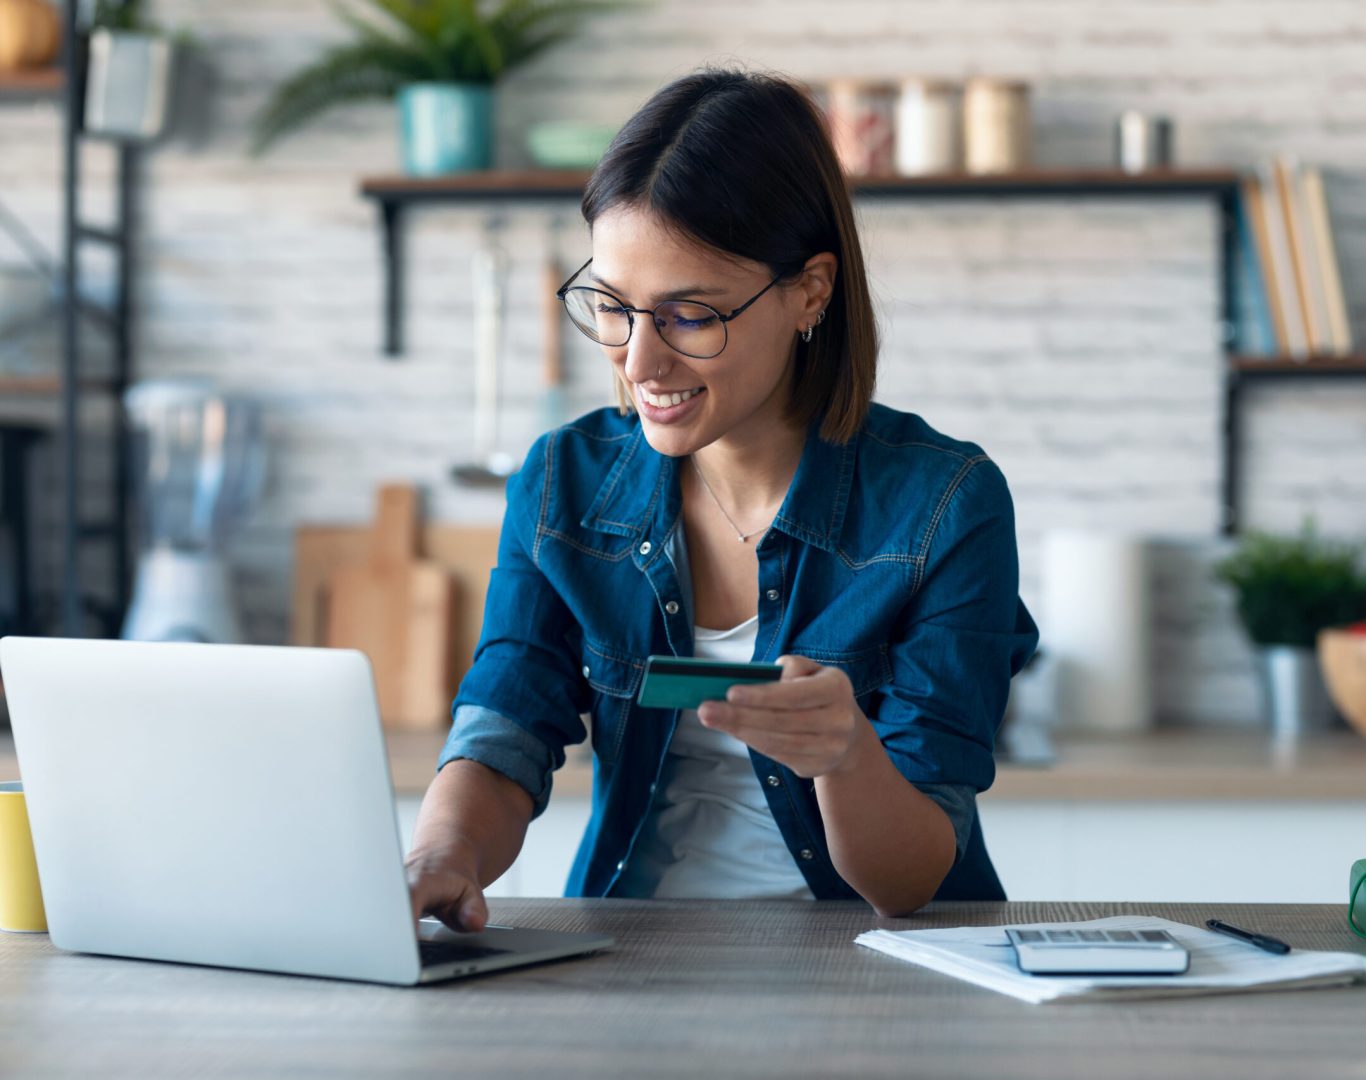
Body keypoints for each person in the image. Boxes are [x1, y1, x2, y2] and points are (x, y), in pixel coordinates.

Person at [405, 68, 1039, 932]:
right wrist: (440, 857)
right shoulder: (564, 482)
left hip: (877, 974)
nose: (638, 362)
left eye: (690, 315)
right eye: (613, 307)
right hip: (633, 955)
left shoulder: (945, 505)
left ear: (810, 291)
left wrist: (846, 754)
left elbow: (911, 881)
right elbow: (507, 723)